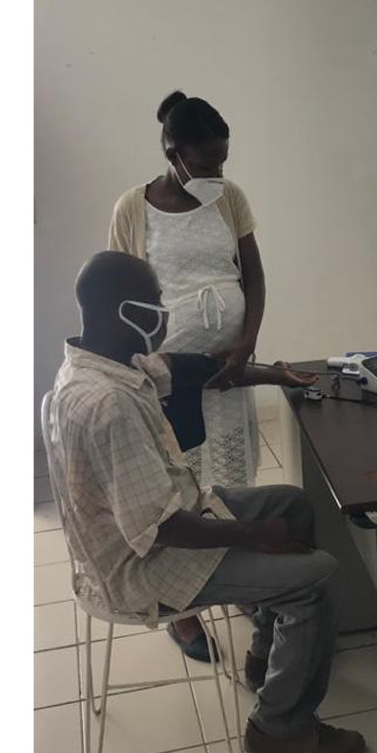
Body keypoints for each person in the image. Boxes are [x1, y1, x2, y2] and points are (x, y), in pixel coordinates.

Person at [51, 251, 365, 753]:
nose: (163, 312)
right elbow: (164, 527)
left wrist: (272, 375)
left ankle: (268, 653)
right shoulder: (108, 404)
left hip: (146, 527)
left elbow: (184, 369)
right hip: (141, 564)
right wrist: (253, 535)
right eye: (153, 303)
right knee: (320, 576)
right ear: (122, 312)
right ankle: (278, 727)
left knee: (293, 504)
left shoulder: (99, 362)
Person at [107, 91, 268, 660]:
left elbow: (253, 276)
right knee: (178, 490)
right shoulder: (133, 207)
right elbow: (120, 297)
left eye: (222, 163)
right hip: (169, 379)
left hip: (228, 371)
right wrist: (144, 369)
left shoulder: (230, 199)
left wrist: (244, 345)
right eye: (205, 166)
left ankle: (243, 581)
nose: (216, 174)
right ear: (173, 153)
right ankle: (185, 611)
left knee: (231, 479)